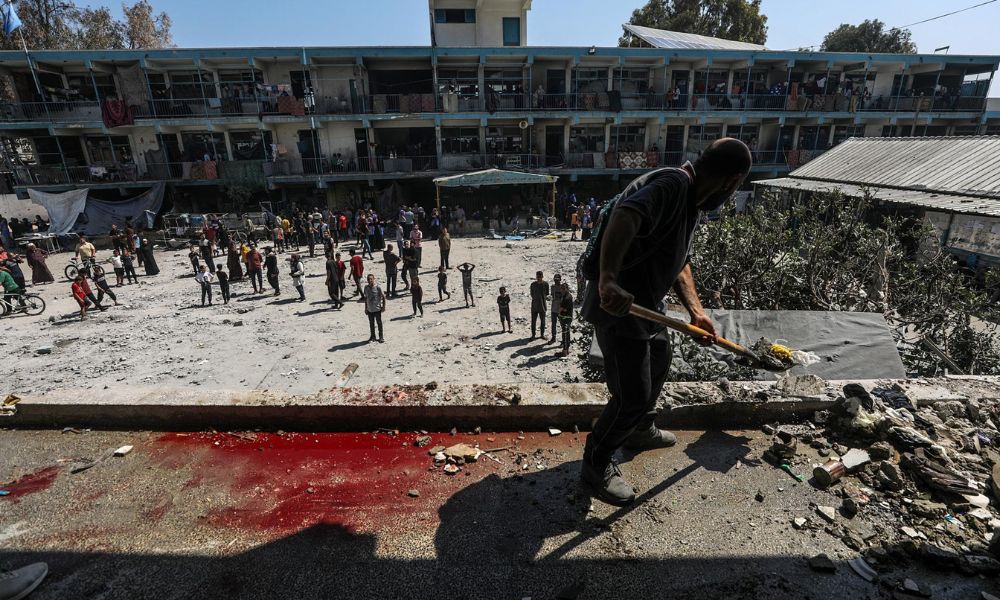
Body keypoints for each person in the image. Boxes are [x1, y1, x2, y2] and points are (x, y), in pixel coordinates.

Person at [579, 137, 752, 506]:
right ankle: (596, 462)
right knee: (632, 396)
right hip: (619, 308)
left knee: (660, 361)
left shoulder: (690, 201)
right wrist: (608, 278)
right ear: (731, 181)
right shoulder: (673, 185)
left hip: (649, 308)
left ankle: (639, 430)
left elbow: (679, 260)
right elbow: (627, 215)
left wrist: (696, 311)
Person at [363, 273, 386, 343]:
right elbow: (366, 298)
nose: (370, 280)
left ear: (373, 279)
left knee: (379, 323)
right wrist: (366, 308)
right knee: (371, 324)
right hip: (370, 309)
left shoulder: (378, 288)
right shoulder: (366, 288)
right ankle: (373, 337)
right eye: (368, 279)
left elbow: (383, 297)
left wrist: (383, 307)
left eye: (371, 279)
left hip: (377, 309)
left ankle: (381, 337)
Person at [529, 271, 549, 339]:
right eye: (537, 277)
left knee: (543, 321)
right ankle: (533, 335)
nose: (539, 278)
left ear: (542, 276)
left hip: (542, 306)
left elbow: (546, 294)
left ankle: (542, 335)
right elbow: (532, 294)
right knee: (533, 321)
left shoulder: (545, 284)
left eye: (540, 277)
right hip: (534, 306)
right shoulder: (533, 284)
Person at [557, 282, 574, 356]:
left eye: (564, 288)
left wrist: (559, 312)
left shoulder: (567, 297)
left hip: (566, 318)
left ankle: (565, 351)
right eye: (561, 288)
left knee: (565, 334)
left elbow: (563, 308)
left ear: (567, 289)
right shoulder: (565, 295)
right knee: (566, 333)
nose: (562, 290)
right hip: (565, 317)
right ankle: (566, 349)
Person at [548, 274, 565, 343]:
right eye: (555, 279)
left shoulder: (563, 287)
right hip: (554, 308)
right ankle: (553, 338)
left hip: (561, 309)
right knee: (553, 325)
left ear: (560, 279)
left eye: (558, 279)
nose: (556, 280)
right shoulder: (552, 287)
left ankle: (564, 340)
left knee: (562, 325)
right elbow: (552, 296)